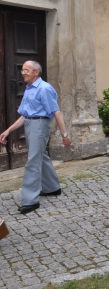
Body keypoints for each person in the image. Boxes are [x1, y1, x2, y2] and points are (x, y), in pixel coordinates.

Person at [0, 61, 72, 214]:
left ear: (36, 72)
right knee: (41, 156)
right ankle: (53, 187)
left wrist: (65, 135)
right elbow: (25, 115)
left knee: (33, 161)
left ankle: (30, 201)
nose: (23, 72)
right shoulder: (29, 88)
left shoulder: (44, 89)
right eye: (22, 70)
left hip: (39, 126)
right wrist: (8, 130)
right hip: (30, 125)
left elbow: (56, 112)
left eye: (27, 70)